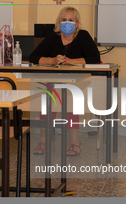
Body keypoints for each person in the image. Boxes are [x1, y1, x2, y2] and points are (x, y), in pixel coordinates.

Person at [29, 6, 100, 156]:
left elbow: (95, 59)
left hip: (79, 82)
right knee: (47, 99)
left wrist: (70, 61)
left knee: (70, 99)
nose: (67, 23)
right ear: (59, 22)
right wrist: (52, 60)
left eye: (71, 20)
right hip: (53, 81)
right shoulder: (52, 38)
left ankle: (75, 143)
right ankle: (44, 140)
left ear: (77, 23)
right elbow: (33, 57)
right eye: (64, 20)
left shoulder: (83, 36)